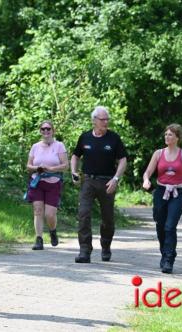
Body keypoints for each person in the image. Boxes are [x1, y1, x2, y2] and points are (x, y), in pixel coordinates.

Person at [70, 106, 127, 263]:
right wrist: (74, 172)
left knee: (107, 218)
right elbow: (75, 156)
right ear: (94, 120)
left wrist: (116, 179)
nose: (106, 122)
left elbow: (123, 160)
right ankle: (84, 250)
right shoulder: (85, 137)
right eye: (103, 119)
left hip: (107, 181)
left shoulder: (114, 138)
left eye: (107, 119)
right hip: (88, 180)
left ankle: (106, 245)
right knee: (83, 214)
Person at [142, 123, 182, 274]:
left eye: (170, 135)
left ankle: (168, 260)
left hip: (178, 193)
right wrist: (146, 180)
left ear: (177, 138)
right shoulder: (158, 153)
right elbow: (147, 172)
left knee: (170, 226)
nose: (167, 137)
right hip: (161, 191)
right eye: (166, 134)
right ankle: (165, 253)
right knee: (160, 224)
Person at [26, 120, 68, 250]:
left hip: (53, 182)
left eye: (48, 129)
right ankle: (39, 239)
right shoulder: (35, 146)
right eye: (43, 129)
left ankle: (53, 230)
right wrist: (37, 167)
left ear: (53, 131)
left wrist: (51, 169)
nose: (46, 131)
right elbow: (28, 166)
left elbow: (65, 165)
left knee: (50, 214)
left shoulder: (59, 146)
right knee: (38, 210)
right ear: (40, 131)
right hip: (37, 181)